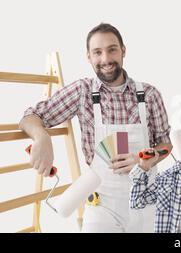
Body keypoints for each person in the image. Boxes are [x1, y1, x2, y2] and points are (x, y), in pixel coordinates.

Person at [19, 23, 172, 232]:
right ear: (88, 56)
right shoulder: (82, 92)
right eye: (97, 52)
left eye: (112, 49)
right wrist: (42, 137)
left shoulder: (150, 94)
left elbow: (166, 145)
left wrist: (146, 157)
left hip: (148, 203)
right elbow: (31, 116)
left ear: (123, 50)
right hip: (102, 206)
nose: (106, 59)